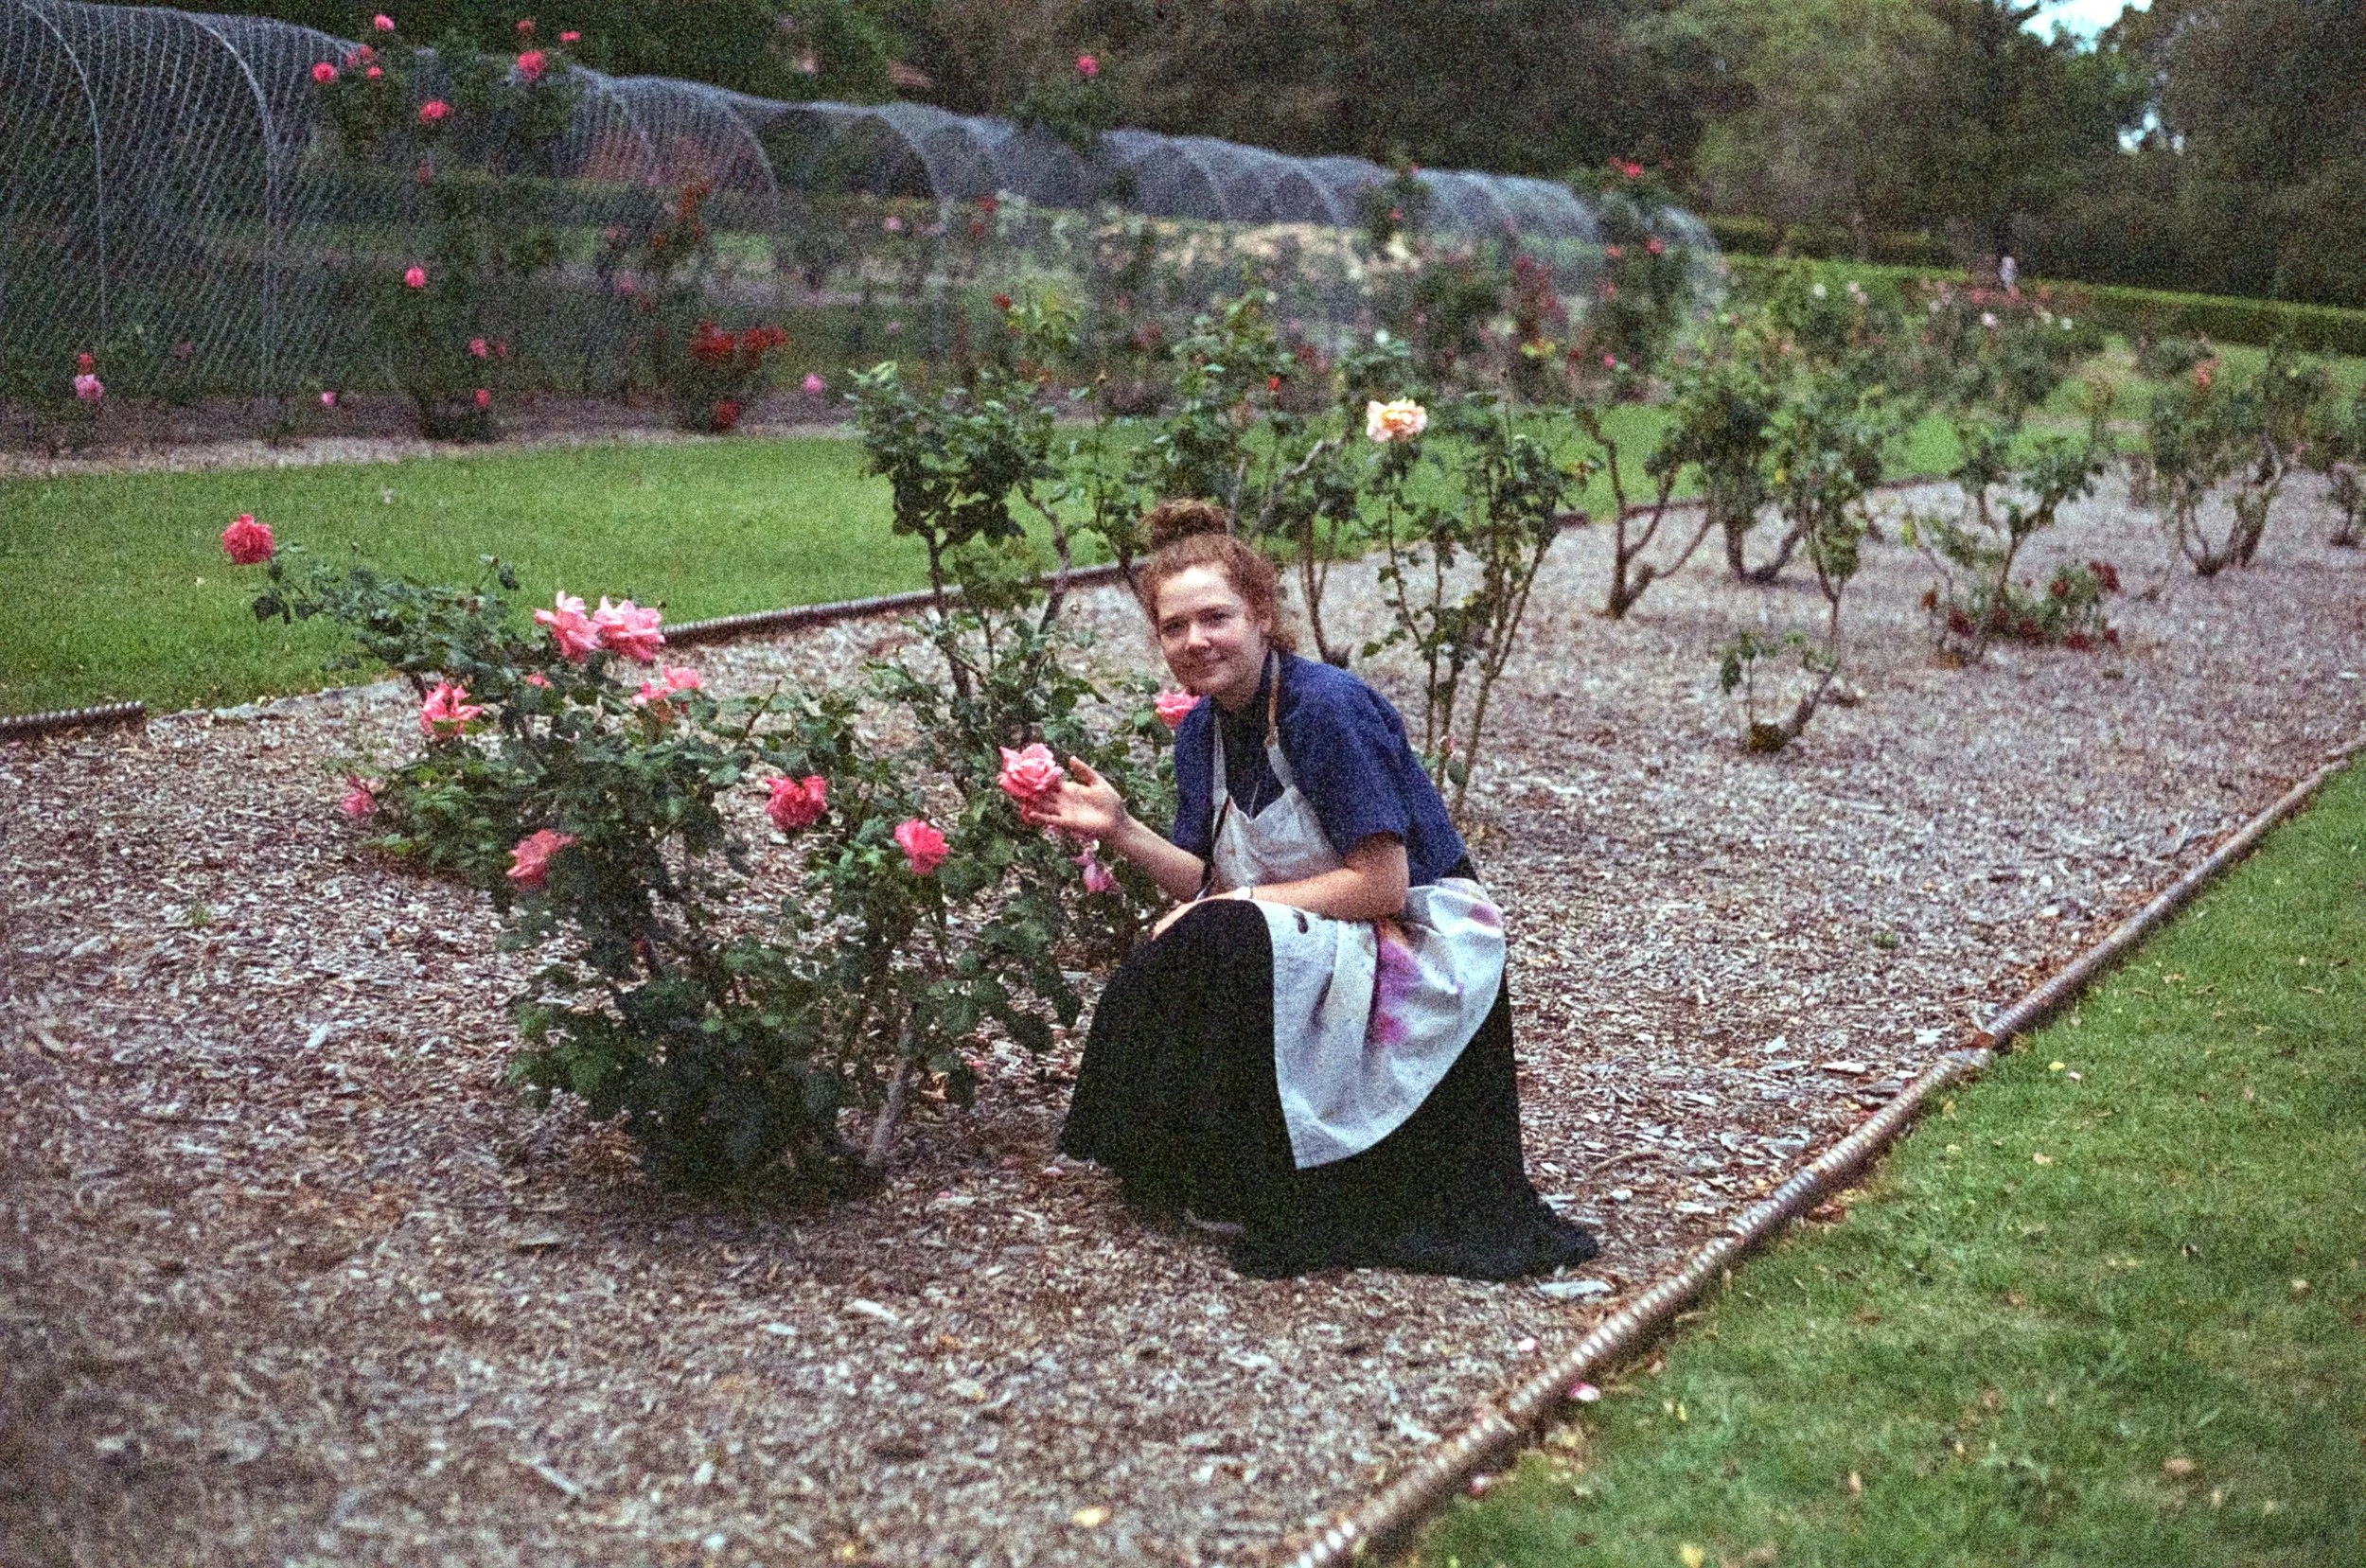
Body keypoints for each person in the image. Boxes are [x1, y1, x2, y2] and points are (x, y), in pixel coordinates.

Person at [1020, 500, 1598, 1280]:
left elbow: (1383, 882)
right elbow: (1215, 882)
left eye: (1215, 617)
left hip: (1421, 941)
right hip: (1323, 931)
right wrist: (1121, 828)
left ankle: (1307, 1188)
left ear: (1261, 612)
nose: (1196, 641)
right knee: (1179, 942)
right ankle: (1210, 1171)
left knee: (1216, 931)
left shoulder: (1324, 708)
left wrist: (1235, 907)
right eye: (1174, 627)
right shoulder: (1203, 729)